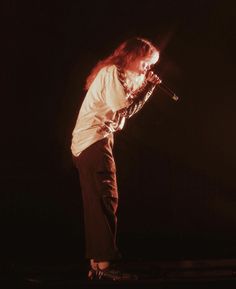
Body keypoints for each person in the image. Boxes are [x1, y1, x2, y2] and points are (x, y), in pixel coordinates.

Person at [71, 37, 161, 281]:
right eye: (145, 63)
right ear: (132, 57)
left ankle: (97, 265)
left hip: (92, 141)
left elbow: (125, 110)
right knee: (106, 198)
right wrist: (148, 88)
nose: (148, 69)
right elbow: (124, 107)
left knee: (98, 201)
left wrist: (146, 87)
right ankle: (104, 265)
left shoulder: (113, 75)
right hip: (94, 140)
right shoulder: (112, 72)